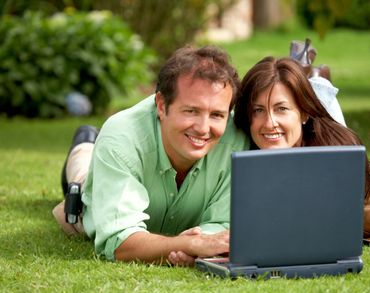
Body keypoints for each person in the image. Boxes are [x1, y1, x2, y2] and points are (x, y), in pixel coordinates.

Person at [52, 45, 249, 265]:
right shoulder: (121, 137)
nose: (204, 128)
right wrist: (189, 245)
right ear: (162, 106)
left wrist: (199, 247)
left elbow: (224, 228)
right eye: (191, 111)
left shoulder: (237, 139)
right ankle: (84, 142)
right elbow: (120, 243)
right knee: (81, 174)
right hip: (93, 187)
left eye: (216, 115)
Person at [233, 56, 370, 245]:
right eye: (258, 110)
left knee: (327, 107)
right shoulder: (241, 135)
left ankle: (318, 78)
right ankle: (304, 72)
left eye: (281, 109)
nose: (269, 123)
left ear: (303, 113)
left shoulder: (338, 150)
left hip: (363, 184)